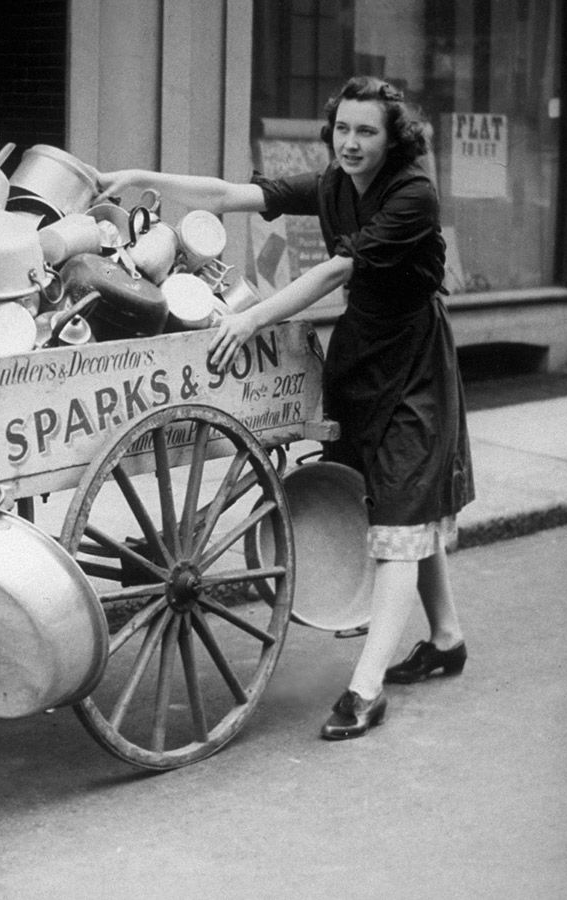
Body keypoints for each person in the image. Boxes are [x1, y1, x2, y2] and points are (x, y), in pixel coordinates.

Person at [95, 75, 474, 741]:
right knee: (399, 501)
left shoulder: (412, 194)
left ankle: (366, 688)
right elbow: (223, 195)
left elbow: (333, 273)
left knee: (401, 509)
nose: (351, 143)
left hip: (414, 361)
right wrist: (135, 174)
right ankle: (446, 636)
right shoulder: (333, 184)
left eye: (367, 132)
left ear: (393, 139)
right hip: (362, 358)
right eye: (343, 129)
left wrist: (252, 320)